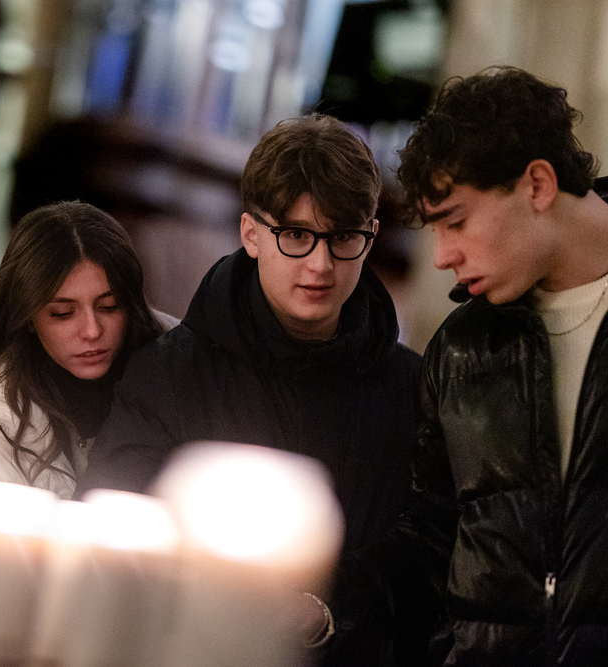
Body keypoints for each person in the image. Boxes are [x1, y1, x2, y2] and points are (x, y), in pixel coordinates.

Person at [75, 114, 424, 662]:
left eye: (343, 238)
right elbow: (110, 536)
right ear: (251, 234)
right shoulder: (168, 375)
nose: (320, 264)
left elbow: (429, 550)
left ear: (370, 237)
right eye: (297, 235)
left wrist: (330, 606)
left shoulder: (413, 389)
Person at [395, 66, 608, 665]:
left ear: (538, 184)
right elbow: (427, 548)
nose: (442, 256)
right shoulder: (461, 348)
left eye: (457, 221)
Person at [0, 201, 174, 501]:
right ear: (28, 317)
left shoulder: (178, 374)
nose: (92, 331)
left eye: (109, 306)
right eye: (63, 313)